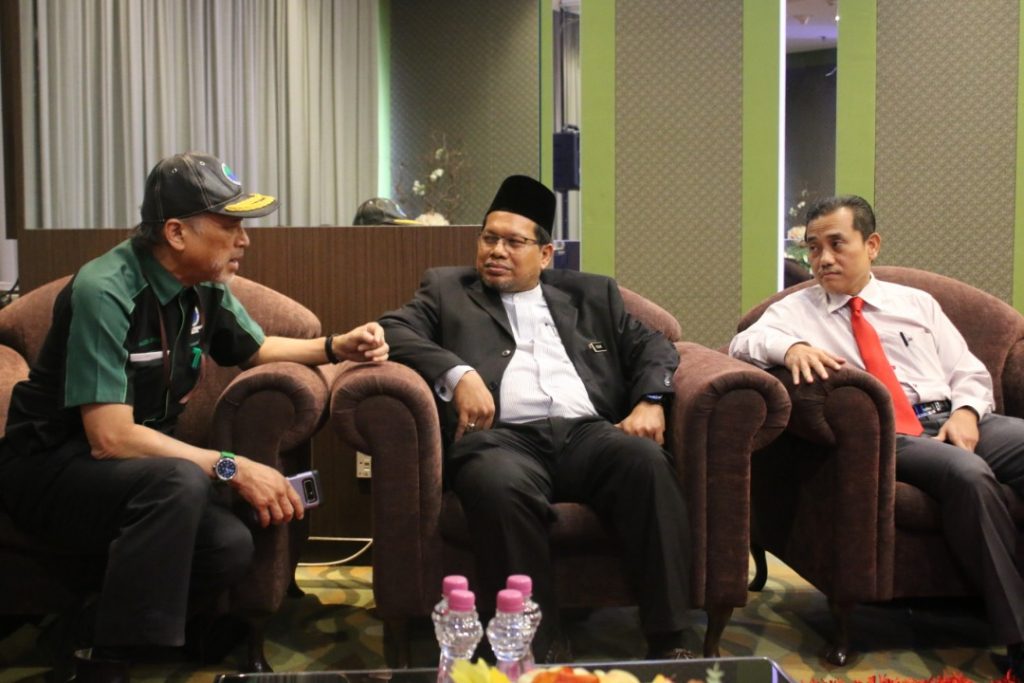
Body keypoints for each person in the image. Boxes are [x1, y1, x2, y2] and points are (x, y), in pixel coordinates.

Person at [0, 152, 389, 677]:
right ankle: (105, 664)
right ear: (177, 233)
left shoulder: (203, 283)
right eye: (229, 226)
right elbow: (110, 439)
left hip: (134, 472)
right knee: (179, 483)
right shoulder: (105, 291)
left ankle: (85, 629)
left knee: (229, 546)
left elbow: (254, 348)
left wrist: (336, 346)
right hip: (49, 467)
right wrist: (232, 466)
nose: (244, 240)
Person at [379, 175, 693, 661]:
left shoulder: (593, 294)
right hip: (503, 441)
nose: (496, 251)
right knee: (496, 485)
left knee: (647, 463)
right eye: (489, 238)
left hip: (590, 435)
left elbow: (655, 345)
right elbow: (393, 329)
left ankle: (671, 640)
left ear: (545, 254)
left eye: (513, 242)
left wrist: (651, 399)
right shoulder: (447, 289)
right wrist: (459, 373)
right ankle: (534, 650)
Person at [729, 194, 1024, 678]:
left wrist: (968, 412)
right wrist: (792, 346)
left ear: (872, 245)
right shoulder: (797, 310)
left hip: (956, 416)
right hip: (894, 436)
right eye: (813, 248)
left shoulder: (917, 304)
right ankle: (1018, 636)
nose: (822, 259)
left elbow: (967, 370)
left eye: (836, 244)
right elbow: (742, 343)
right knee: (969, 475)